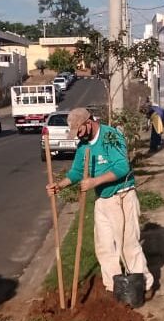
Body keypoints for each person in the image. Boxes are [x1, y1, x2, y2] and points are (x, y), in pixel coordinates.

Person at [47, 108, 155, 298]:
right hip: (102, 200)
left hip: (122, 197)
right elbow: (77, 171)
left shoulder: (110, 137)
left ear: (88, 123)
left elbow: (122, 167)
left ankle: (143, 284)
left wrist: (94, 182)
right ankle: (114, 285)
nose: (77, 136)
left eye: (79, 130)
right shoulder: (83, 146)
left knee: (127, 245)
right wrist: (60, 185)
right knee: (104, 246)